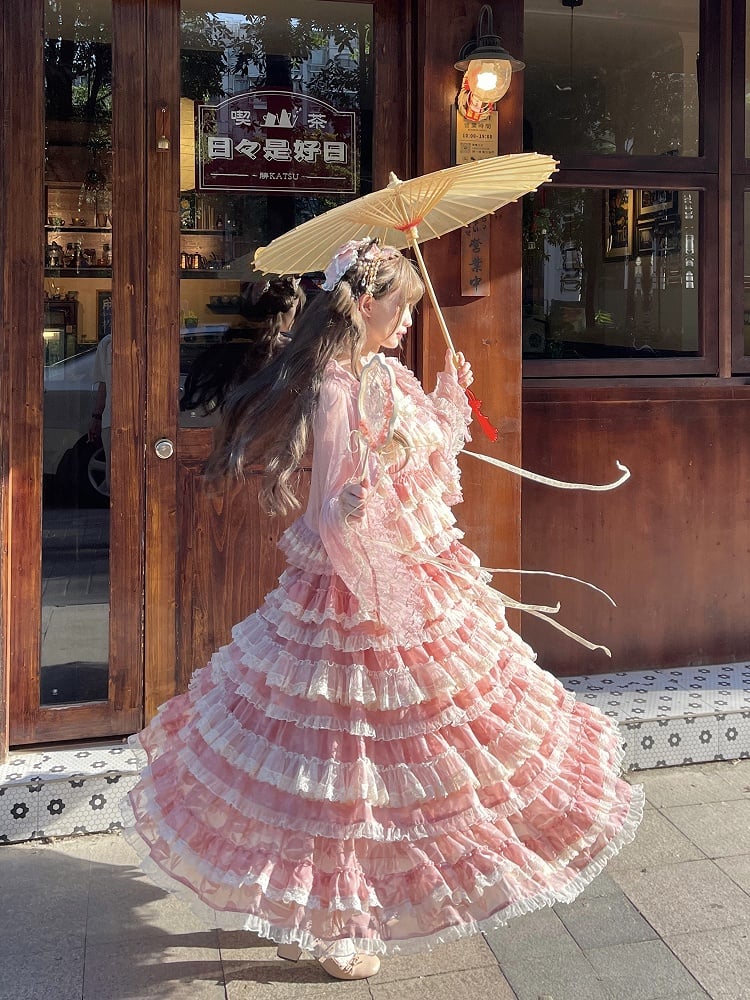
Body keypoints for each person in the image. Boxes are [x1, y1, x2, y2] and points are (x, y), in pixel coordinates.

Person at [123, 239, 643, 981]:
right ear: (365, 303)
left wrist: (446, 401)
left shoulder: (385, 374)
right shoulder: (335, 386)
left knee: (377, 763)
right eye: (401, 308)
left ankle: (320, 915)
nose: (407, 322)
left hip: (408, 570)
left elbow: (425, 456)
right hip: (351, 591)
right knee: (338, 768)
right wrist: (361, 519)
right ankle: (333, 924)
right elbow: (331, 509)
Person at [179, 275, 305, 418]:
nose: (298, 314)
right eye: (296, 306)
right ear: (284, 309)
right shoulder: (285, 352)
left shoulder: (232, 346)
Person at [88, 331, 112, 495]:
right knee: (115, 478)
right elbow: (103, 386)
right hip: (113, 419)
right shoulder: (107, 344)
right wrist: (96, 417)